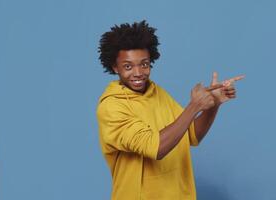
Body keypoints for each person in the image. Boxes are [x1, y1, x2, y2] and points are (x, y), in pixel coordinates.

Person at [96, 20, 244, 200]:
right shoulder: (112, 107)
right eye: (128, 66)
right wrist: (194, 106)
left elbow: (191, 135)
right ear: (114, 67)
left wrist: (213, 105)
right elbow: (156, 148)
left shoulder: (157, 93)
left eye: (144, 64)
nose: (138, 72)